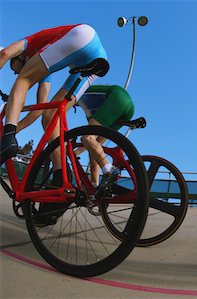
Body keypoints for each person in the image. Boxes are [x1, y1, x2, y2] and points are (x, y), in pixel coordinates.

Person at [0, 24, 116, 225]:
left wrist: (9, 133)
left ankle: (9, 138)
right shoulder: (45, 65)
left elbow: (4, 54)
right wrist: (18, 126)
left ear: (19, 59)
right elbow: (38, 111)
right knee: (51, 115)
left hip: (79, 35)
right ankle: (61, 176)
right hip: (96, 55)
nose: (12, 71)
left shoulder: (28, 45)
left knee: (22, 80)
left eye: (13, 66)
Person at [75, 84, 134, 194]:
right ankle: (95, 187)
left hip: (116, 98)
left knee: (87, 138)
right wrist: (78, 151)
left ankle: (109, 170)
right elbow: (93, 144)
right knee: (94, 151)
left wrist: (76, 151)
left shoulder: (78, 95)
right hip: (124, 105)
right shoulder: (95, 110)